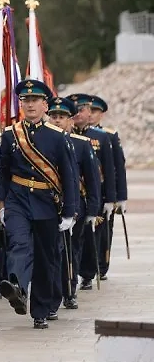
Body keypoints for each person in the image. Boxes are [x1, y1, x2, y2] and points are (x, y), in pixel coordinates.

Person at [0, 80, 77, 329]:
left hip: (46, 202)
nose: (30, 104)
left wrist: (70, 212)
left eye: (35, 100)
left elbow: (69, 175)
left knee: (45, 257)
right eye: (25, 100)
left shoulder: (57, 136)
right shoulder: (11, 134)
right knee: (19, 244)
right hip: (18, 200)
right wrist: (0, 201)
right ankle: (17, 287)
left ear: (45, 104)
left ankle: (40, 310)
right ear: (21, 104)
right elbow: (3, 171)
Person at [46, 96, 100, 316]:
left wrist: (93, 211)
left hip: (75, 205)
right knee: (52, 250)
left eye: (62, 117)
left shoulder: (82, 144)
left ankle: (69, 291)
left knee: (72, 250)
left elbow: (93, 179)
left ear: (70, 120)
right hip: (48, 204)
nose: (57, 120)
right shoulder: (42, 141)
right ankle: (53, 292)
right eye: (54, 116)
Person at [68, 93, 116, 290]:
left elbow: (111, 170)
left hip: (95, 194)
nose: (79, 114)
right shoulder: (65, 136)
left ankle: (87, 274)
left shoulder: (101, 137)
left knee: (91, 237)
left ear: (88, 112)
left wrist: (112, 198)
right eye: (76, 110)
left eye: (83, 110)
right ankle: (72, 273)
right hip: (74, 194)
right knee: (74, 239)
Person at [89, 95, 127, 280]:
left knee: (104, 232)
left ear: (101, 114)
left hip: (104, 191)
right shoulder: (77, 133)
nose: (91, 115)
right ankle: (88, 267)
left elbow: (117, 167)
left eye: (95, 111)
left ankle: (102, 266)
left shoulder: (109, 136)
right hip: (86, 191)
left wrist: (120, 197)